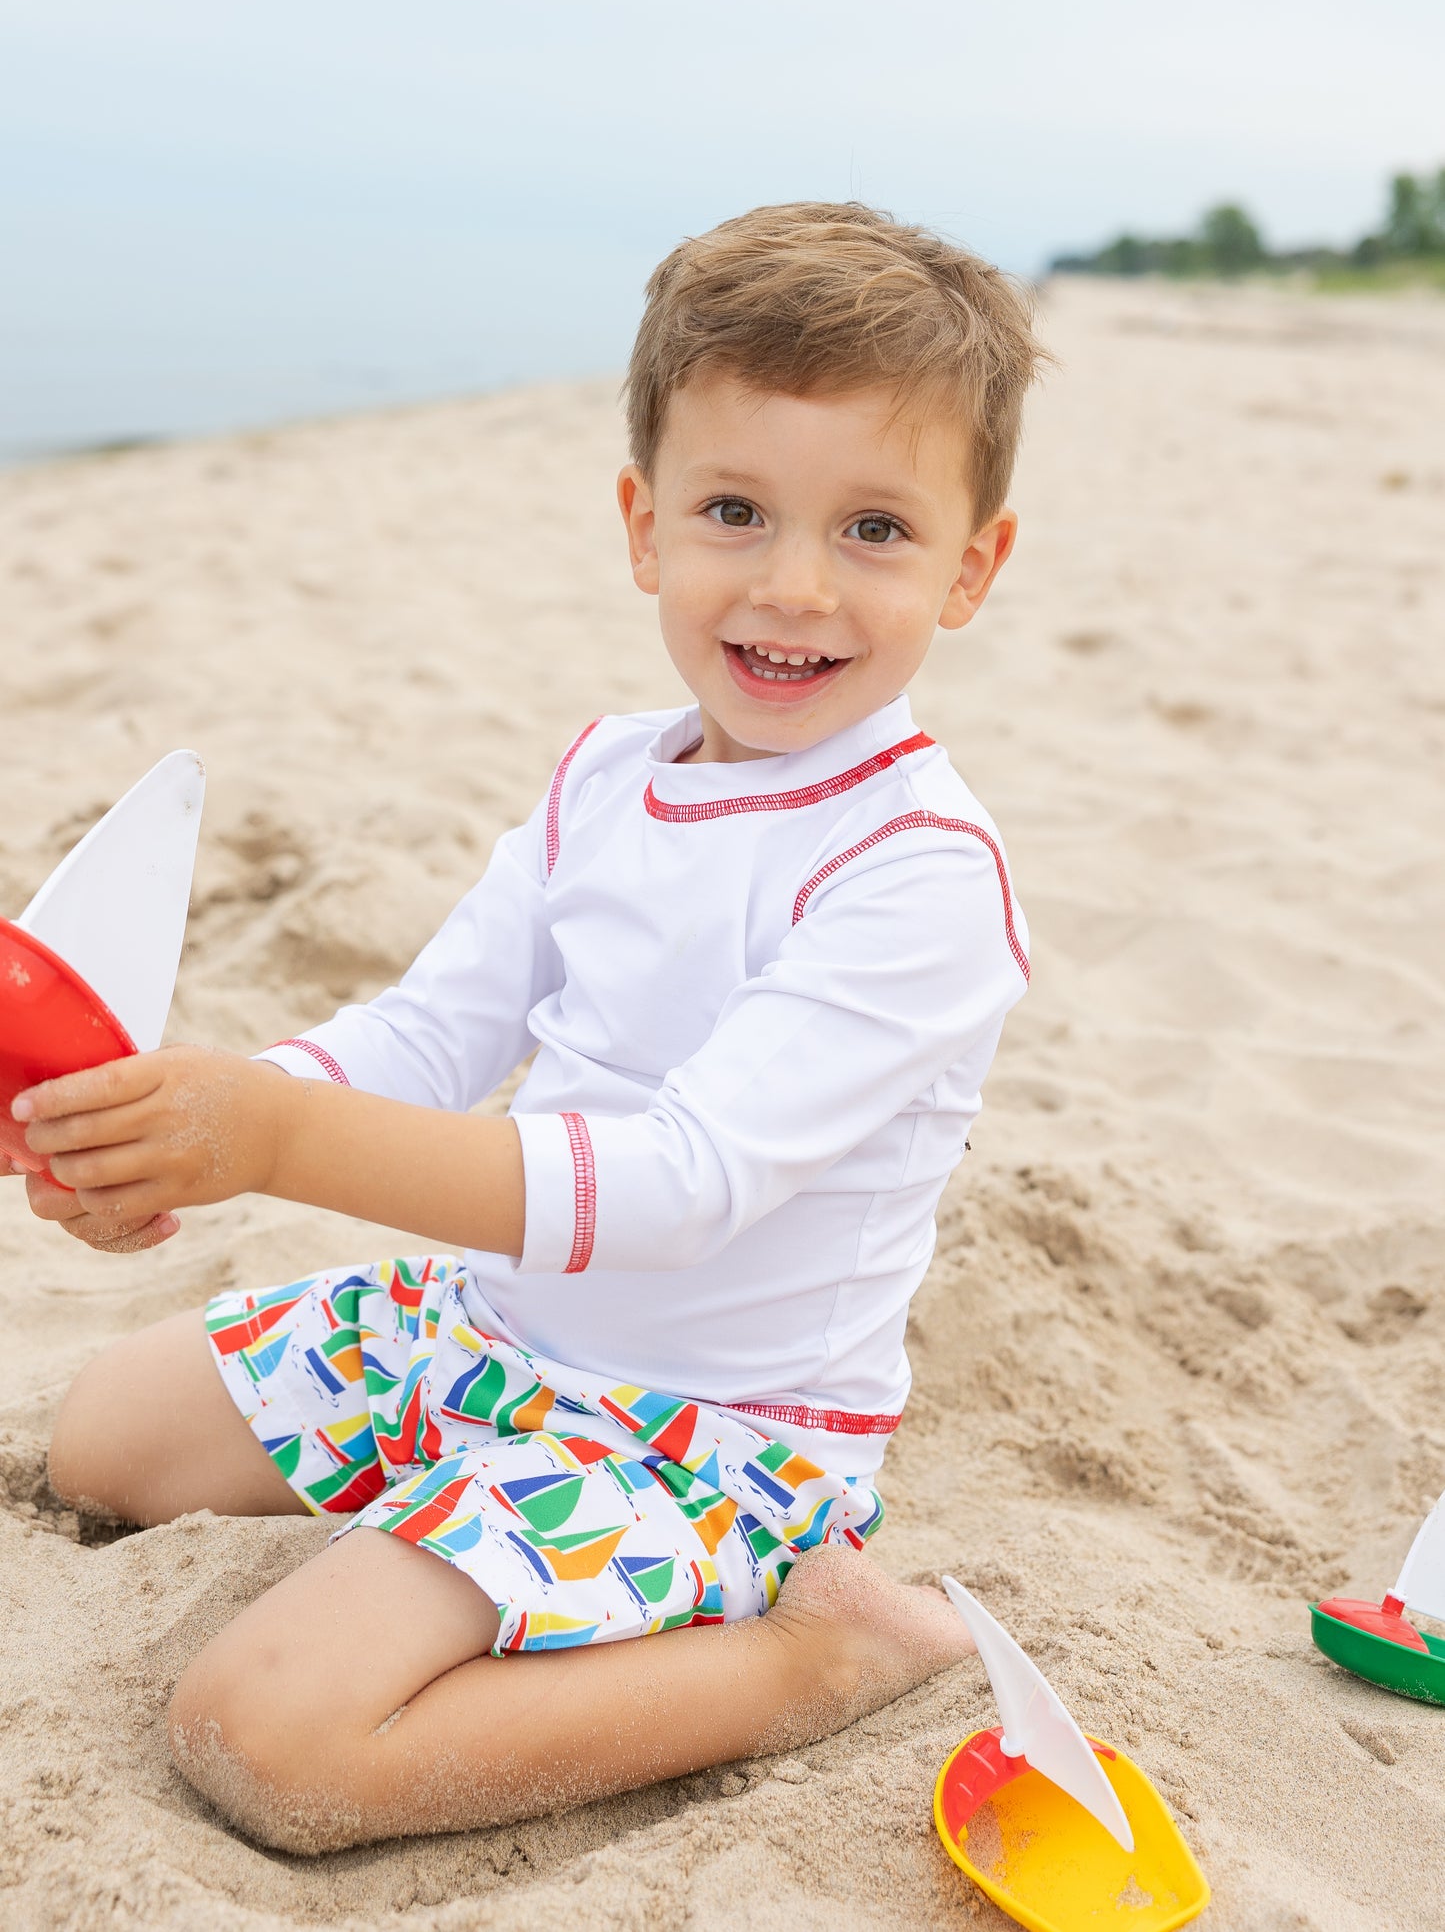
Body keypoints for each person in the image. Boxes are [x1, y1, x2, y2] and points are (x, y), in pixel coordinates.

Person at [7, 202, 1043, 1856]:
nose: (789, 583)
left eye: (872, 529)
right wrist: (187, 1128)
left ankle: (814, 1653)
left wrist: (275, 1139)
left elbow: (680, 1185)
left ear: (969, 565)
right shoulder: (606, 777)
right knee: (104, 1444)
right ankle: (466, 1521)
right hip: (493, 1334)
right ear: (643, 527)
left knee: (265, 1738)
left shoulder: (915, 874)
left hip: (715, 1439)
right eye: (731, 511)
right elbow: (429, 1033)